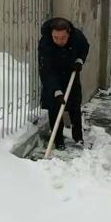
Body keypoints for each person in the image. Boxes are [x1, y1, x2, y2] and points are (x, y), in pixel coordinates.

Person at [38, 17, 90, 150]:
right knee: (54, 108)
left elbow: (85, 47)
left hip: (71, 72)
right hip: (53, 75)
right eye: (56, 37)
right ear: (51, 34)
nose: (59, 41)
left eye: (63, 38)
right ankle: (58, 140)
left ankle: (78, 137)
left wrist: (79, 60)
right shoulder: (45, 43)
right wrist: (56, 90)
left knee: (74, 106)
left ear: (69, 33)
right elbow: (45, 70)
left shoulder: (77, 37)